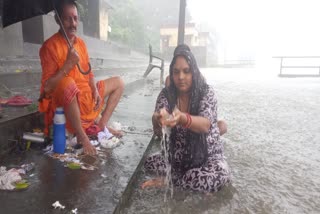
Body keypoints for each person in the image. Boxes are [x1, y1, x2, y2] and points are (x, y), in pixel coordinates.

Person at [38, 0, 124, 155]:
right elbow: (47, 88)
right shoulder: (49, 47)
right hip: (67, 103)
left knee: (119, 82)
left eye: (75, 18)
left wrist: (95, 91)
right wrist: (67, 65)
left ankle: (101, 124)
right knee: (68, 83)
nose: (73, 23)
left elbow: (88, 72)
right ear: (58, 20)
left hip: (86, 97)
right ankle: (82, 136)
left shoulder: (81, 44)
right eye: (67, 18)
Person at [143, 44, 231, 192]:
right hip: (178, 158)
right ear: (171, 73)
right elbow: (159, 131)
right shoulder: (167, 94)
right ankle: (179, 178)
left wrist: (182, 118)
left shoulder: (206, 92)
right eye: (176, 72)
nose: (181, 77)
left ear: (194, 72)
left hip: (206, 157)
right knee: (150, 162)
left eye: (186, 71)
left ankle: (172, 182)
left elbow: (205, 125)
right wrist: (157, 119)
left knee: (208, 177)